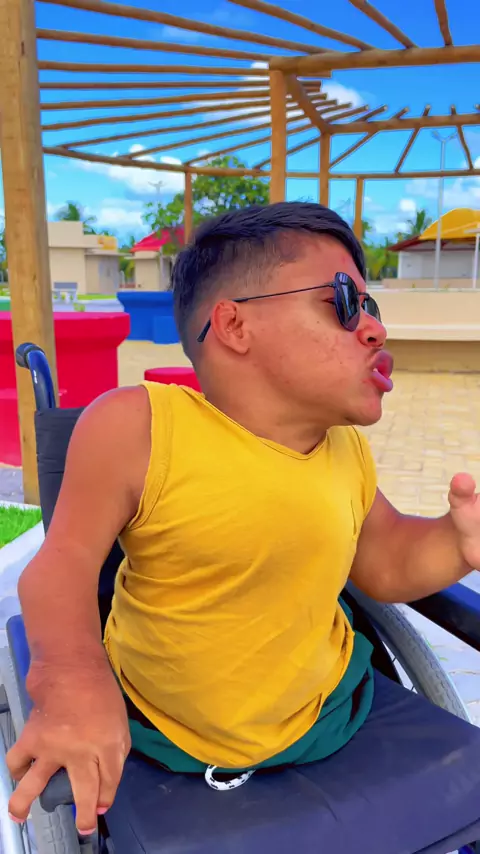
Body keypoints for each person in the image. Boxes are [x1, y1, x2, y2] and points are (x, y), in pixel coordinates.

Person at [7, 202, 480, 835]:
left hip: (329, 707)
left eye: (371, 307)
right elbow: (60, 569)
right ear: (233, 324)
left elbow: (388, 561)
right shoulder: (140, 427)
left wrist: (456, 540)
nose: (374, 329)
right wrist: (70, 682)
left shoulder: (345, 448)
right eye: (344, 302)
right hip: (161, 724)